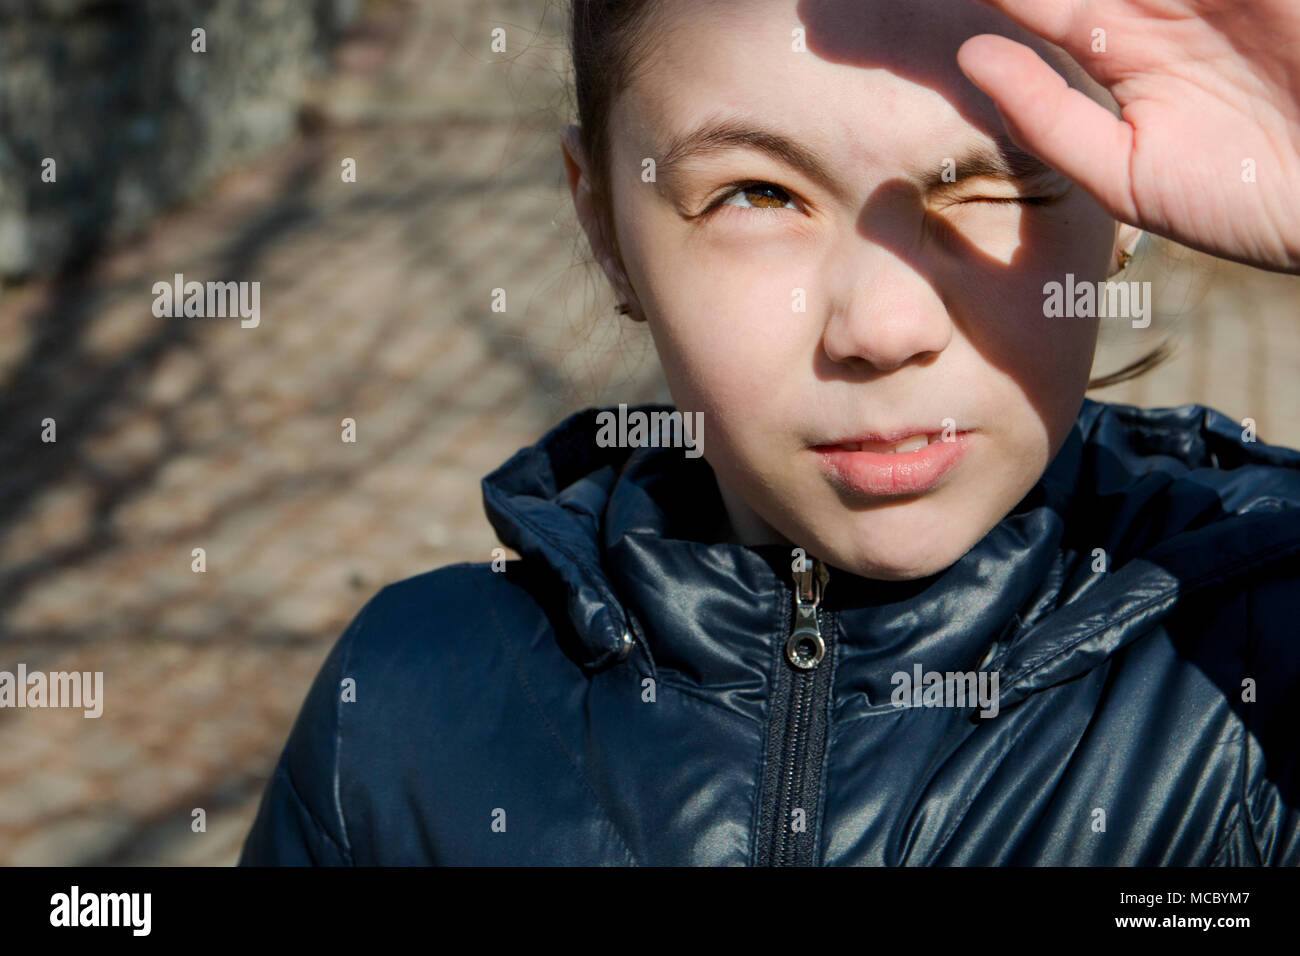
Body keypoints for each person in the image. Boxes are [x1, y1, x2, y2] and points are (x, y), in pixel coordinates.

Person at [239, 0, 1300, 865]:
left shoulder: (1266, 646)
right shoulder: (406, 706)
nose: (883, 327)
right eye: (757, 192)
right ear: (604, 222)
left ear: (1120, 203)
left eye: (996, 181)